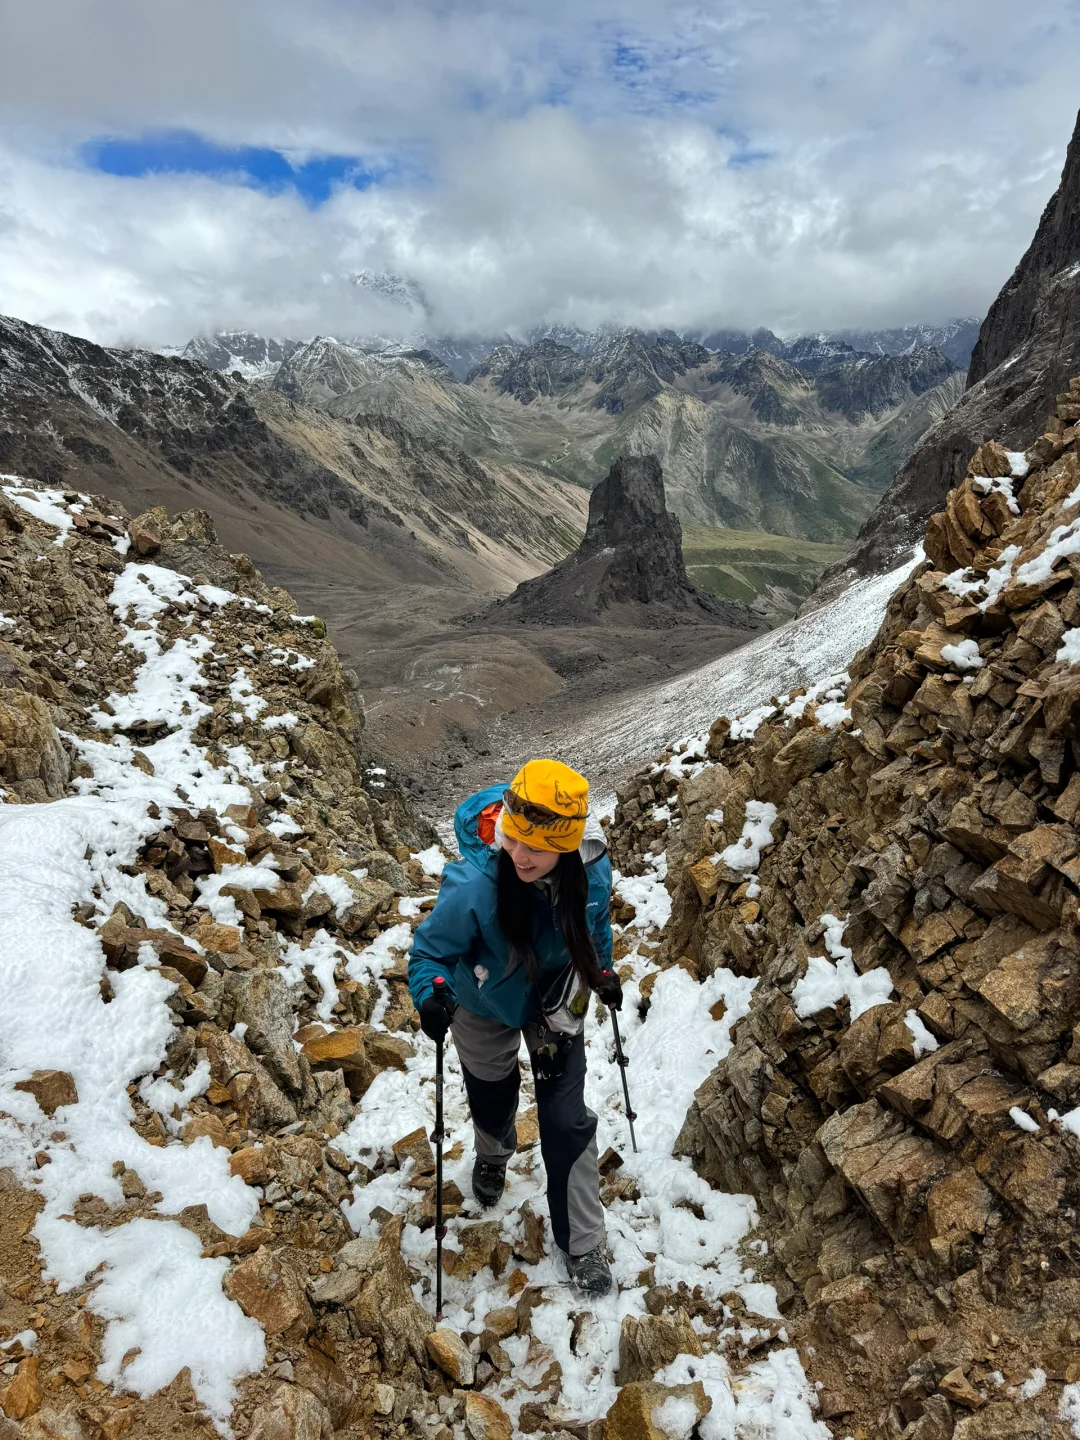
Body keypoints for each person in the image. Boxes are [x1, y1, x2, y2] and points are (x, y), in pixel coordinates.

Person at [407, 758, 621, 1297]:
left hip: (554, 1002)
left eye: (536, 847)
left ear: (568, 847)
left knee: (566, 1117)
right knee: (491, 1090)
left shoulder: (590, 873)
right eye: (513, 837)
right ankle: (493, 1152)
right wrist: (431, 993)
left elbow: (594, 928)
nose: (519, 855)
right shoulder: (475, 884)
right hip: (481, 1002)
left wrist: (602, 973)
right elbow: (430, 952)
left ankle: (582, 1241)